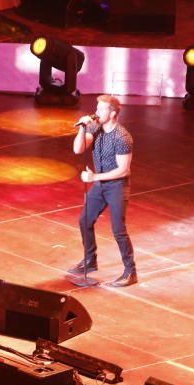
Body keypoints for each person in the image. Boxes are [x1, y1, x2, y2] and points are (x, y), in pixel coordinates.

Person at [69, 94, 137, 287]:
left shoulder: (122, 137)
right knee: (85, 220)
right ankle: (90, 260)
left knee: (118, 230)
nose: (96, 112)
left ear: (113, 113)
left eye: (101, 109)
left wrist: (94, 178)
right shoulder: (95, 127)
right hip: (100, 184)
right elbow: (78, 149)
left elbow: (124, 170)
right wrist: (82, 129)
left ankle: (130, 272)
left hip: (117, 186)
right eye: (97, 108)